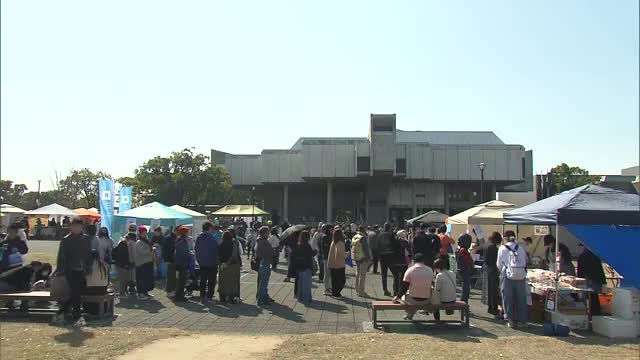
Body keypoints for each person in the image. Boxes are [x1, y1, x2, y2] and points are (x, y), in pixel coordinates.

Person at [52, 217, 91, 325]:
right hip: (70, 270)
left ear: (81, 227)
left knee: (76, 293)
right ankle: (77, 316)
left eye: (78, 226)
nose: (76, 228)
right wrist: (61, 271)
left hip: (82, 270)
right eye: (74, 226)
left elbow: (88, 255)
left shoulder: (86, 239)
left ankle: (61, 312)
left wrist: (88, 269)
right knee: (76, 293)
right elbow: (61, 257)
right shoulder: (66, 240)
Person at [497, 230, 528, 328]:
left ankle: (510, 320)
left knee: (507, 298)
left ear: (505, 238)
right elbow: (524, 262)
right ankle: (522, 320)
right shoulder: (521, 248)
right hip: (521, 275)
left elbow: (499, 264)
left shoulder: (502, 248)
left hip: (507, 275)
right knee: (521, 298)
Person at [392, 253, 434, 320]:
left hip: (412, 300)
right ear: (424, 261)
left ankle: (410, 314)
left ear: (414, 260)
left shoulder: (410, 270)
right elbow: (432, 283)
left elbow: (404, 287)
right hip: (426, 300)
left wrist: (397, 297)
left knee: (404, 296)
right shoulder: (430, 270)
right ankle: (411, 314)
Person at [577, 244, 606, 315]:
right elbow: (600, 269)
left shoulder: (582, 256)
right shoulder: (595, 255)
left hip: (588, 279)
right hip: (596, 279)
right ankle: (596, 313)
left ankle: (590, 314)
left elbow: (580, 271)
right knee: (594, 297)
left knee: (589, 297)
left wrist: (579, 280)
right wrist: (603, 281)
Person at [195, 221, 219, 304]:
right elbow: (216, 249)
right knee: (211, 281)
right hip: (212, 263)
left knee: (203, 281)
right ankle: (209, 297)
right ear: (209, 228)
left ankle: (202, 297)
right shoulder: (212, 238)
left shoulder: (199, 237)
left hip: (202, 263)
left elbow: (196, 250)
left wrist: (199, 260)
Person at [378, 223, 404, 297]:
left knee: (384, 274)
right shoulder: (391, 235)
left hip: (382, 257)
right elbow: (395, 245)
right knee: (395, 274)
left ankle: (385, 290)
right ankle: (395, 291)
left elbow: (377, 245)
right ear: (390, 228)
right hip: (391, 256)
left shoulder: (379, 235)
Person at [218, 230, 243, 304]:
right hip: (232, 265)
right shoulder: (233, 244)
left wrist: (221, 263)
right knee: (232, 282)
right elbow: (234, 255)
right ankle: (232, 299)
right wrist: (228, 263)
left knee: (222, 282)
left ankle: (222, 298)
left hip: (222, 265)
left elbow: (218, 255)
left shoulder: (221, 244)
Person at [482, 232, 502, 319]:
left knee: (488, 289)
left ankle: (490, 307)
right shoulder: (493, 247)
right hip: (492, 269)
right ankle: (493, 308)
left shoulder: (487, 244)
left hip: (486, 268)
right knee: (493, 290)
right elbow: (496, 260)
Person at [293, 230, 315, 305]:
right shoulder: (307, 246)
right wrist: (315, 251)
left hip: (299, 267)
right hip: (306, 266)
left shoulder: (298, 245)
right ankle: (307, 298)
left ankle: (300, 297)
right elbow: (311, 254)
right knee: (307, 284)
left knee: (301, 284)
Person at [433, 258, 457, 322]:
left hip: (444, 300)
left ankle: (437, 320)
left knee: (434, 300)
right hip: (453, 299)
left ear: (437, 267)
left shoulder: (439, 275)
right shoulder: (452, 273)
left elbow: (437, 289)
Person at [256, 226, 275, 306]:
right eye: (268, 232)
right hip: (265, 262)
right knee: (263, 283)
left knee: (262, 282)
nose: (269, 234)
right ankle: (261, 300)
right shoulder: (264, 242)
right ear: (264, 233)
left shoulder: (260, 241)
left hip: (262, 262)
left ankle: (265, 297)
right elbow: (270, 252)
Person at [134, 226, 154, 299]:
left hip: (148, 262)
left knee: (147, 279)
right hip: (141, 263)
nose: (145, 234)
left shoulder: (147, 241)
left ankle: (146, 292)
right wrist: (151, 250)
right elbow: (142, 252)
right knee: (141, 279)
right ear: (140, 234)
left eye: (146, 233)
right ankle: (141, 293)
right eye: (143, 233)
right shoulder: (139, 242)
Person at [351, 225, 371, 297]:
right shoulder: (363, 238)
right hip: (363, 257)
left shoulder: (355, 236)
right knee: (362, 276)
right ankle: (361, 292)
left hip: (356, 257)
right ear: (364, 230)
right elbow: (366, 249)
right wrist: (369, 258)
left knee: (357, 274)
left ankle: (357, 290)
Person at [173, 226, 191, 302]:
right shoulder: (182, 241)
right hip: (182, 263)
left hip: (179, 262)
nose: (188, 233)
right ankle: (179, 296)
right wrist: (189, 254)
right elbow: (183, 253)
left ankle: (179, 295)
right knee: (181, 280)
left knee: (180, 280)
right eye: (187, 232)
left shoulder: (178, 240)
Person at [327, 227, 347, 297]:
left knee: (334, 280)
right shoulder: (340, 243)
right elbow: (341, 254)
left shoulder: (333, 242)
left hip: (333, 264)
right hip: (339, 264)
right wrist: (347, 254)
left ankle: (334, 292)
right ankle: (337, 293)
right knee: (341, 280)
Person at [456, 234, 473, 303]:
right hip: (464, 270)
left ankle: (464, 302)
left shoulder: (459, 250)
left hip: (461, 270)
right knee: (466, 288)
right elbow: (469, 261)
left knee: (465, 287)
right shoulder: (463, 251)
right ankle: (464, 302)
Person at [163, 227, 178, 297]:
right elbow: (168, 250)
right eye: (177, 231)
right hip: (170, 260)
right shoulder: (169, 238)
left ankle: (172, 290)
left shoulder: (174, 238)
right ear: (175, 231)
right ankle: (169, 291)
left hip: (173, 259)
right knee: (171, 276)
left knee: (173, 276)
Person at [320, 224, 333, 295]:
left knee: (330, 273)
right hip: (326, 257)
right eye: (331, 228)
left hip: (330, 257)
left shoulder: (330, 236)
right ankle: (326, 289)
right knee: (327, 273)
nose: (332, 230)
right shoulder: (324, 237)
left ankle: (330, 287)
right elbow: (325, 248)